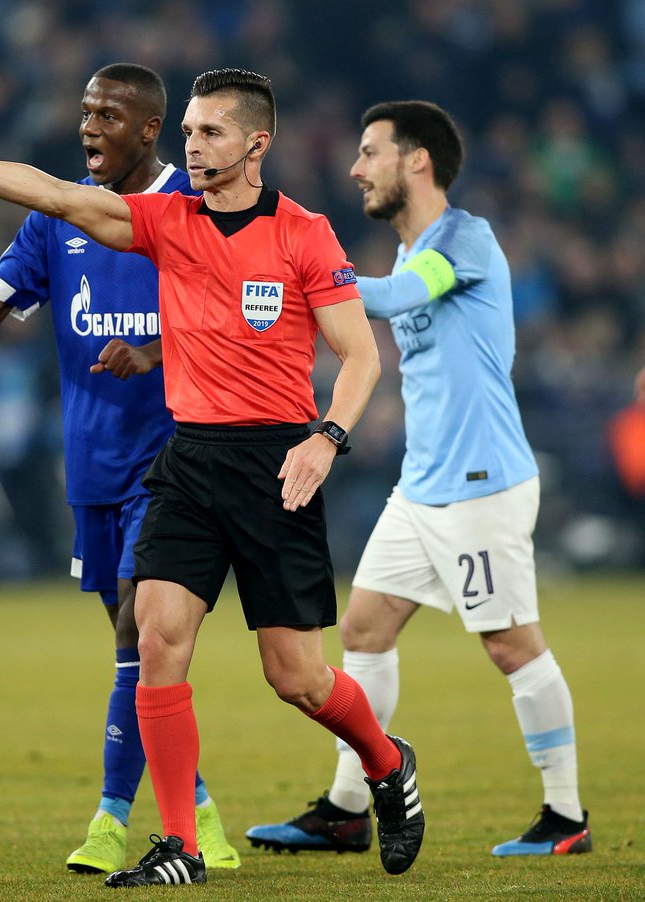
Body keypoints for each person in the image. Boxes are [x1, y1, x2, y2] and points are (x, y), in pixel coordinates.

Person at [0, 67, 426, 886]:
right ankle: (181, 847)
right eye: (189, 131)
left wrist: (327, 438)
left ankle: (386, 762)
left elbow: (362, 357)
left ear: (257, 145)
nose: (192, 147)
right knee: (156, 640)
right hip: (189, 459)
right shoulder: (168, 221)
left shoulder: (304, 233)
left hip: (276, 464)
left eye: (210, 133)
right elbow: (58, 197)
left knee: (296, 677)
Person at [245, 100, 591, 860]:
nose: (355, 169)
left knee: (512, 645)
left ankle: (566, 816)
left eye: (370, 152)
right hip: (422, 486)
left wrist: (300, 272)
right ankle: (347, 808)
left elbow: (395, 301)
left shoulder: (464, 239)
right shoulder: (408, 256)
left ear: (417, 160)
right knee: (363, 629)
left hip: (481, 484)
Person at [0, 63, 239, 875]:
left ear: (149, 128)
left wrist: (156, 351)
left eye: (107, 115)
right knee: (138, 657)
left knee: (140, 632)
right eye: (86, 112)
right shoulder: (59, 216)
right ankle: (201, 811)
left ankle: (110, 820)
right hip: (94, 462)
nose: (89, 127)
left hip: (173, 460)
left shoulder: (191, 207)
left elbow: (232, 323)